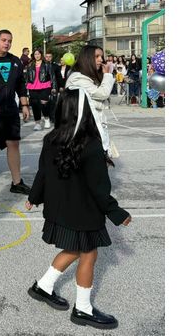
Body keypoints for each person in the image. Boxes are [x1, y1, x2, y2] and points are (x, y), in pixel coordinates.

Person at [25, 89, 132, 330]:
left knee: (73, 249)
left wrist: (34, 196)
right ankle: (83, 309)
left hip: (60, 210)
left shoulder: (51, 139)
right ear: (85, 113)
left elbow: (42, 172)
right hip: (83, 212)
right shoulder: (91, 145)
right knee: (88, 253)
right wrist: (116, 213)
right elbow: (99, 188)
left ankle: (43, 286)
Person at [0, 29, 31, 194]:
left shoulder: (15, 61)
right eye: (4, 40)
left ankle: (17, 182)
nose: (7, 43)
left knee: (13, 143)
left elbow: (21, 84)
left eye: (9, 41)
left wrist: (24, 105)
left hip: (10, 110)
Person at [64, 45, 116, 157]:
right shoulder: (77, 78)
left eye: (101, 56)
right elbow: (102, 94)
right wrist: (107, 75)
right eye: (96, 56)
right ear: (86, 58)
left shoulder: (88, 76)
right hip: (84, 130)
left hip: (93, 127)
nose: (101, 60)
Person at [26, 48, 57, 131]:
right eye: (35, 54)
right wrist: (26, 88)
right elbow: (27, 77)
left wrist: (54, 87)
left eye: (38, 54)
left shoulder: (47, 64)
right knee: (35, 105)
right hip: (32, 87)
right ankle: (37, 123)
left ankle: (47, 119)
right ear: (33, 55)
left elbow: (52, 77)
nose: (37, 56)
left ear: (41, 55)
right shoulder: (30, 65)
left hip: (45, 86)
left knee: (44, 104)